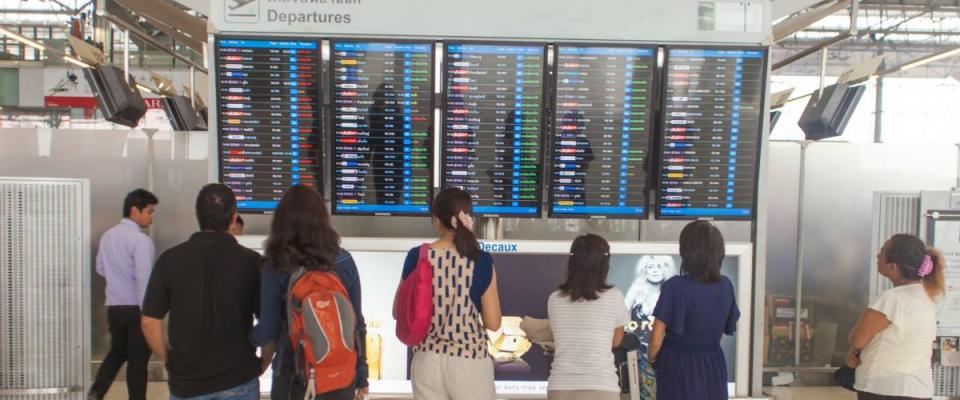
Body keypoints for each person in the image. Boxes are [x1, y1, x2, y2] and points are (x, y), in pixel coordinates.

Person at [141, 184, 263, 400]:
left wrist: (168, 359)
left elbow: (150, 320)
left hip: (187, 383)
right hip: (239, 379)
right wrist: (265, 361)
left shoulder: (170, 260)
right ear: (234, 218)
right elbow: (268, 319)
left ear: (196, 215)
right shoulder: (252, 262)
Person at [250, 185, 369, 400]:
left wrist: (244, 338)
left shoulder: (275, 266)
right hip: (340, 375)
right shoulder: (344, 261)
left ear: (281, 222)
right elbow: (357, 324)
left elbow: (267, 331)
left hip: (294, 376)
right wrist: (361, 374)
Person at [394, 187, 502, 400]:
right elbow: (493, 322)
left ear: (435, 220)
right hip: (470, 361)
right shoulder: (480, 260)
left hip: (427, 361)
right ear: (467, 219)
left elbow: (398, 311)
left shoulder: (418, 256)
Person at [647, 220, 739, 400]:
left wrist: (652, 359)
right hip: (713, 364)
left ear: (686, 251)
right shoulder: (726, 286)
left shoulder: (675, 286)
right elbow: (722, 331)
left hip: (677, 366)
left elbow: (656, 338)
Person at [847, 234, 945, 400]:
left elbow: (857, 339)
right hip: (918, 388)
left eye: (882, 252)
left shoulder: (893, 298)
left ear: (893, 267)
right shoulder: (927, 296)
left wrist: (856, 350)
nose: (877, 256)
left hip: (884, 388)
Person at [89, 189, 158, 400]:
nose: (151, 217)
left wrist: (117, 277)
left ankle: (95, 394)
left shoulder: (108, 236)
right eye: (149, 211)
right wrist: (149, 313)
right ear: (134, 210)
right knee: (138, 361)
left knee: (116, 353)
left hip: (115, 309)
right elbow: (144, 280)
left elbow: (100, 268)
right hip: (136, 309)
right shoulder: (140, 241)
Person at [547, 234, 628, 400]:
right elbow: (616, 341)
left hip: (560, 387)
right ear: (604, 264)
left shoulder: (555, 298)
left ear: (572, 262)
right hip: (601, 386)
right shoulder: (614, 296)